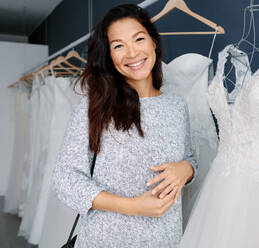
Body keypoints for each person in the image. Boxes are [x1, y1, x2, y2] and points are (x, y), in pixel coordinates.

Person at [52, 4, 197, 248]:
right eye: (118, 45)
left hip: (166, 240)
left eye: (139, 39)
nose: (132, 53)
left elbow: (190, 159)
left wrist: (185, 170)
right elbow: (65, 179)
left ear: (153, 43)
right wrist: (132, 207)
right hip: (106, 240)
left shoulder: (176, 105)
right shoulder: (95, 106)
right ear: (109, 56)